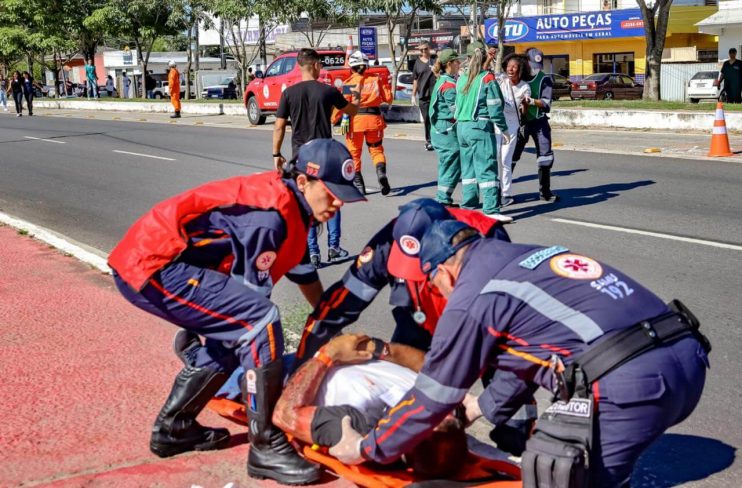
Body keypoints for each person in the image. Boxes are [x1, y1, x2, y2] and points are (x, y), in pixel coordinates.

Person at [331, 219, 709, 488]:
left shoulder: (471, 297)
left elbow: (434, 395)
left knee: (559, 471)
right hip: (687, 361)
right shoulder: (523, 257)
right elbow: (525, 361)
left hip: (632, 385)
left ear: (443, 274)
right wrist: (481, 408)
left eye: (434, 285)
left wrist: (367, 447)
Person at [108, 138, 366, 485]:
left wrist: (328, 325)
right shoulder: (270, 218)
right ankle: (265, 446)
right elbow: (253, 307)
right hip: (154, 265)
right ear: (303, 181)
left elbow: (303, 273)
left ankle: (174, 428)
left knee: (238, 334)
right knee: (258, 322)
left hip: (158, 263)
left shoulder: (295, 211)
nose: (337, 202)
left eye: (343, 194)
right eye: (331, 192)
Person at [294, 198, 510, 365]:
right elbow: (340, 304)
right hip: (418, 319)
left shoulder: (487, 241)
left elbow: (508, 325)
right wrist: (302, 364)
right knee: (397, 381)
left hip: (476, 322)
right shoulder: (389, 240)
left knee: (501, 393)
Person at [274, 333, 468, 479]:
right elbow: (428, 365)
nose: (433, 409)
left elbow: (285, 414)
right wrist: (378, 349)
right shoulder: (441, 404)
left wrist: (329, 353)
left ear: (405, 441)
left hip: (297, 370)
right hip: (351, 353)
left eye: (428, 420)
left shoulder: (363, 428)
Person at [273, 48, 360, 269]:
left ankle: (312, 252)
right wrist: (356, 97)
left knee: (306, 203)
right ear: (316, 66)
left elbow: (279, 126)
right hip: (325, 157)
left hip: (300, 157)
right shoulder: (327, 91)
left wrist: (276, 154)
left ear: (299, 66)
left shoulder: (288, 94)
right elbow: (352, 111)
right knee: (332, 200)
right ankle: (334, 247)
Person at [454, 41, 512, 223]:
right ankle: (491, 209)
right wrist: (503, 128)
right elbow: (495, 106)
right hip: (479, 127)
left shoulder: (462, 78)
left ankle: (469, 205)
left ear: (467, 58)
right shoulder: (486, 78)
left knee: (469, 169)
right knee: (487, 167)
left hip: (462, 128)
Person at [337, 50, 393, 196]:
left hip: (355, 122)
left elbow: (343, 104)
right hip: (374, 120)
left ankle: (359, 185)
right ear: (366, 65)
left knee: (354, 154)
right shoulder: (376, 80)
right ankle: (381, 175)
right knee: (376, 150)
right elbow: (388, 98)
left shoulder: (349, 83)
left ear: (352, 67)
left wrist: (333, 119)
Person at [512, 48, 559, 202]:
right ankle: (502, 191)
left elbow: (546, 104)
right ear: (525, 62)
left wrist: (531, 101)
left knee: (545, 157)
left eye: (537, 65)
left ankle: (545, 192)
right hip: (521, 123)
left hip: (539, 122)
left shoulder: (544, 79)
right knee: (511, 156)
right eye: (532, 64)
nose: (535, 68)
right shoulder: (517, 77)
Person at [430, 49, 465, 206]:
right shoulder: (448, 85)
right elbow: (456, 110)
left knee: (448, 163)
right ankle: (443, 199)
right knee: (451, 162)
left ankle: (443, 197)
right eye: (457, 61)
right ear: (449, 64)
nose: (459, 64)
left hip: (442, 128)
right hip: (446, 129)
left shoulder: (444, 81)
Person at [496, 54, 531, 208]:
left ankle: (506, 194)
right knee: (494, 159)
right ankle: (493, 190)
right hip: (496, 126)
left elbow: (524, 111)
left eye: (514, 66)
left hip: (511, 127)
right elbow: (483, 75)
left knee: (505, 160)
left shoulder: (524, 87)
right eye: (508, 66)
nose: (510, 69)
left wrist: (525, 104)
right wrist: (489, 59)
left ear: (520, 69)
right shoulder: (501, 80)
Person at [412, 42, 436, 151]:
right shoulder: (417, 63)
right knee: (427, 119)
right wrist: (413, 95)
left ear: (429, 49)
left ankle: (437, 139)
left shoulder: (435, 61)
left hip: (435, 95)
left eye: (425, 49)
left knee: (435, 117)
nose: (423, 52)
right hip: (423, 96)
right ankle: (429, 140)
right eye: (421, 50)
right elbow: (415, 80)